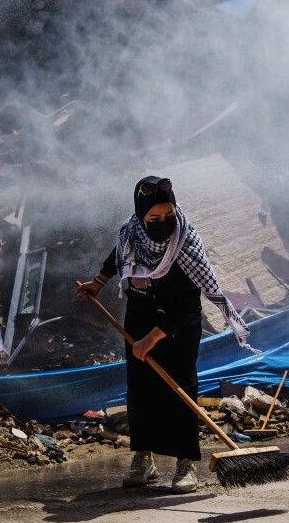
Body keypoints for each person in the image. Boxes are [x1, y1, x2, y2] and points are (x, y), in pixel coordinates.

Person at [76, 176, 255, 493]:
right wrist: (97, 283)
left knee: (181, 389)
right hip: (139, 316)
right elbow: (116, 257)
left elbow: (188, 304)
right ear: (141, 215)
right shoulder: (131, 232)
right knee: (141, 390)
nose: (163, 223)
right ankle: (143, 459)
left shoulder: (185, 244)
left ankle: (186, 463)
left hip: (178, 326)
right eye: (154, 218)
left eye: (168, 216)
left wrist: (153, 338)